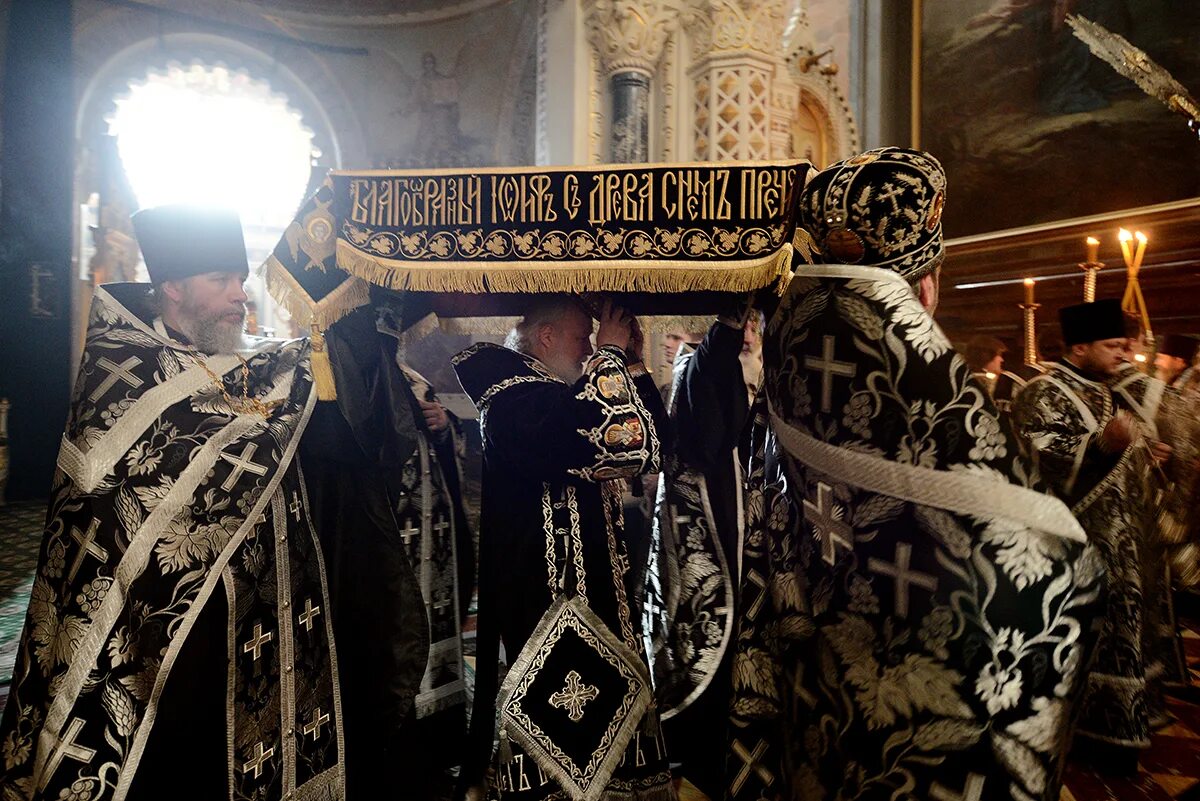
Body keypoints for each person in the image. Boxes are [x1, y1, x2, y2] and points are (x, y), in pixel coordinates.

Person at [733, 147, 1102, 801]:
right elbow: (1050, 562)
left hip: (818, 676)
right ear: (924, 285)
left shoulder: (788, 363)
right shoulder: (935, 394)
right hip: (921, 710)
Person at [0, 205, 345, 800]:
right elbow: (100, 511)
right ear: (174, 288)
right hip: (148, 618)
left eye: (240, 280)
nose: (240, 295)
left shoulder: (265, 369)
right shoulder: (121, 372)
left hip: (252, 610)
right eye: (221, 281)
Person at [453, 296, 673, 801]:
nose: (589, 349)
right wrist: (611, 356)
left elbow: (651, 443)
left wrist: (631, 363)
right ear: (546, 337)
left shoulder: (559, 391)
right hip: (547, 604)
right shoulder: (509, 396)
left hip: (597, 593)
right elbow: (590, 437)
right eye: (582, 338)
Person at [1012, 298, 1171, 775]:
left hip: (1125, 544)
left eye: (1125, 345)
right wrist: (1104, 447)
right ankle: (1086, 735)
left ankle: (1123, 729)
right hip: (1077, 548)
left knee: (1127, 632)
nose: (1124, 353)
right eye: (1113, 345)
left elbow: (1126, 450)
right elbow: (1040, 460)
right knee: (1092, 635)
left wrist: (1147, 454)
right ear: (1079, 348)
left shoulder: (1108, 388)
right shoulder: (1043, 391)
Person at [642, 303, 767, 799]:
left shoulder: (725, 365)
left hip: (741, 524)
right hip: (713, 538)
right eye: (747, 323)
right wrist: (727, 328)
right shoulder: (698, 367)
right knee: (714, 646)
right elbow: (708, 440)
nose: (753, 331)